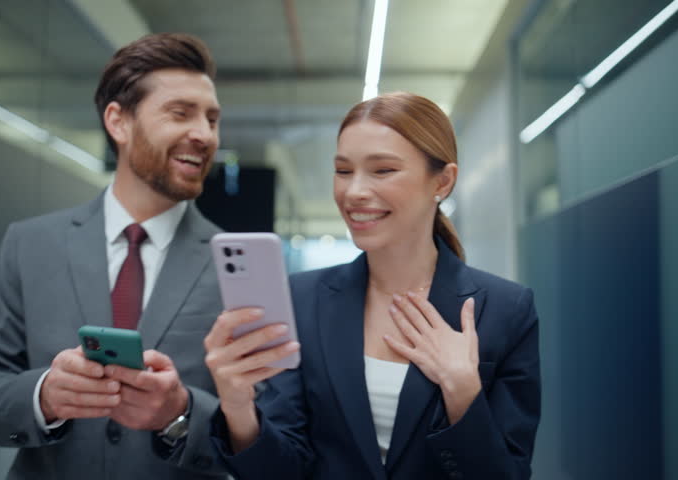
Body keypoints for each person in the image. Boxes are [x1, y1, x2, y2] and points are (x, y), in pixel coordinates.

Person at [204, 92, 541, 479]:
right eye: (343, 171)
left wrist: (463, 392)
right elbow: (282, 471)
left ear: (443, 181)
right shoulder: (301, 300)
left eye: (382, 170)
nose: (354, 192)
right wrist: (238, 408)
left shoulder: (505, 309)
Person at [0, 33, 230, 479]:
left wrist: (180, 414)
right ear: (118, 122)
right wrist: (44, 395)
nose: (204, 134)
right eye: (181, 113)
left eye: (212, 119)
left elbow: (271, 430)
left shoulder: (233, 263)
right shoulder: (29, 245)